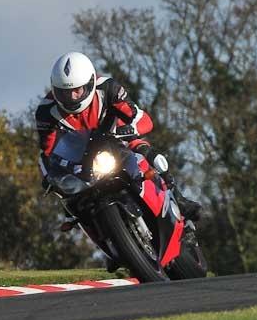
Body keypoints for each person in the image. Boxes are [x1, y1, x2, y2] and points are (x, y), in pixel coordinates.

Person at [36, 51, 201, 222]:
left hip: (116, 137)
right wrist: (50, 178)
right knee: (69, 200)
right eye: (65, 92)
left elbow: (142, 118)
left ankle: (179, 198)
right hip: (81, 157)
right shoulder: (46, 112)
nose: (72, 97)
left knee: (142, 148)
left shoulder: (108, 88)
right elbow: (48, 152)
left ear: (90, 83)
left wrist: (129, 129)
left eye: (77, 90)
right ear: (55, 90)